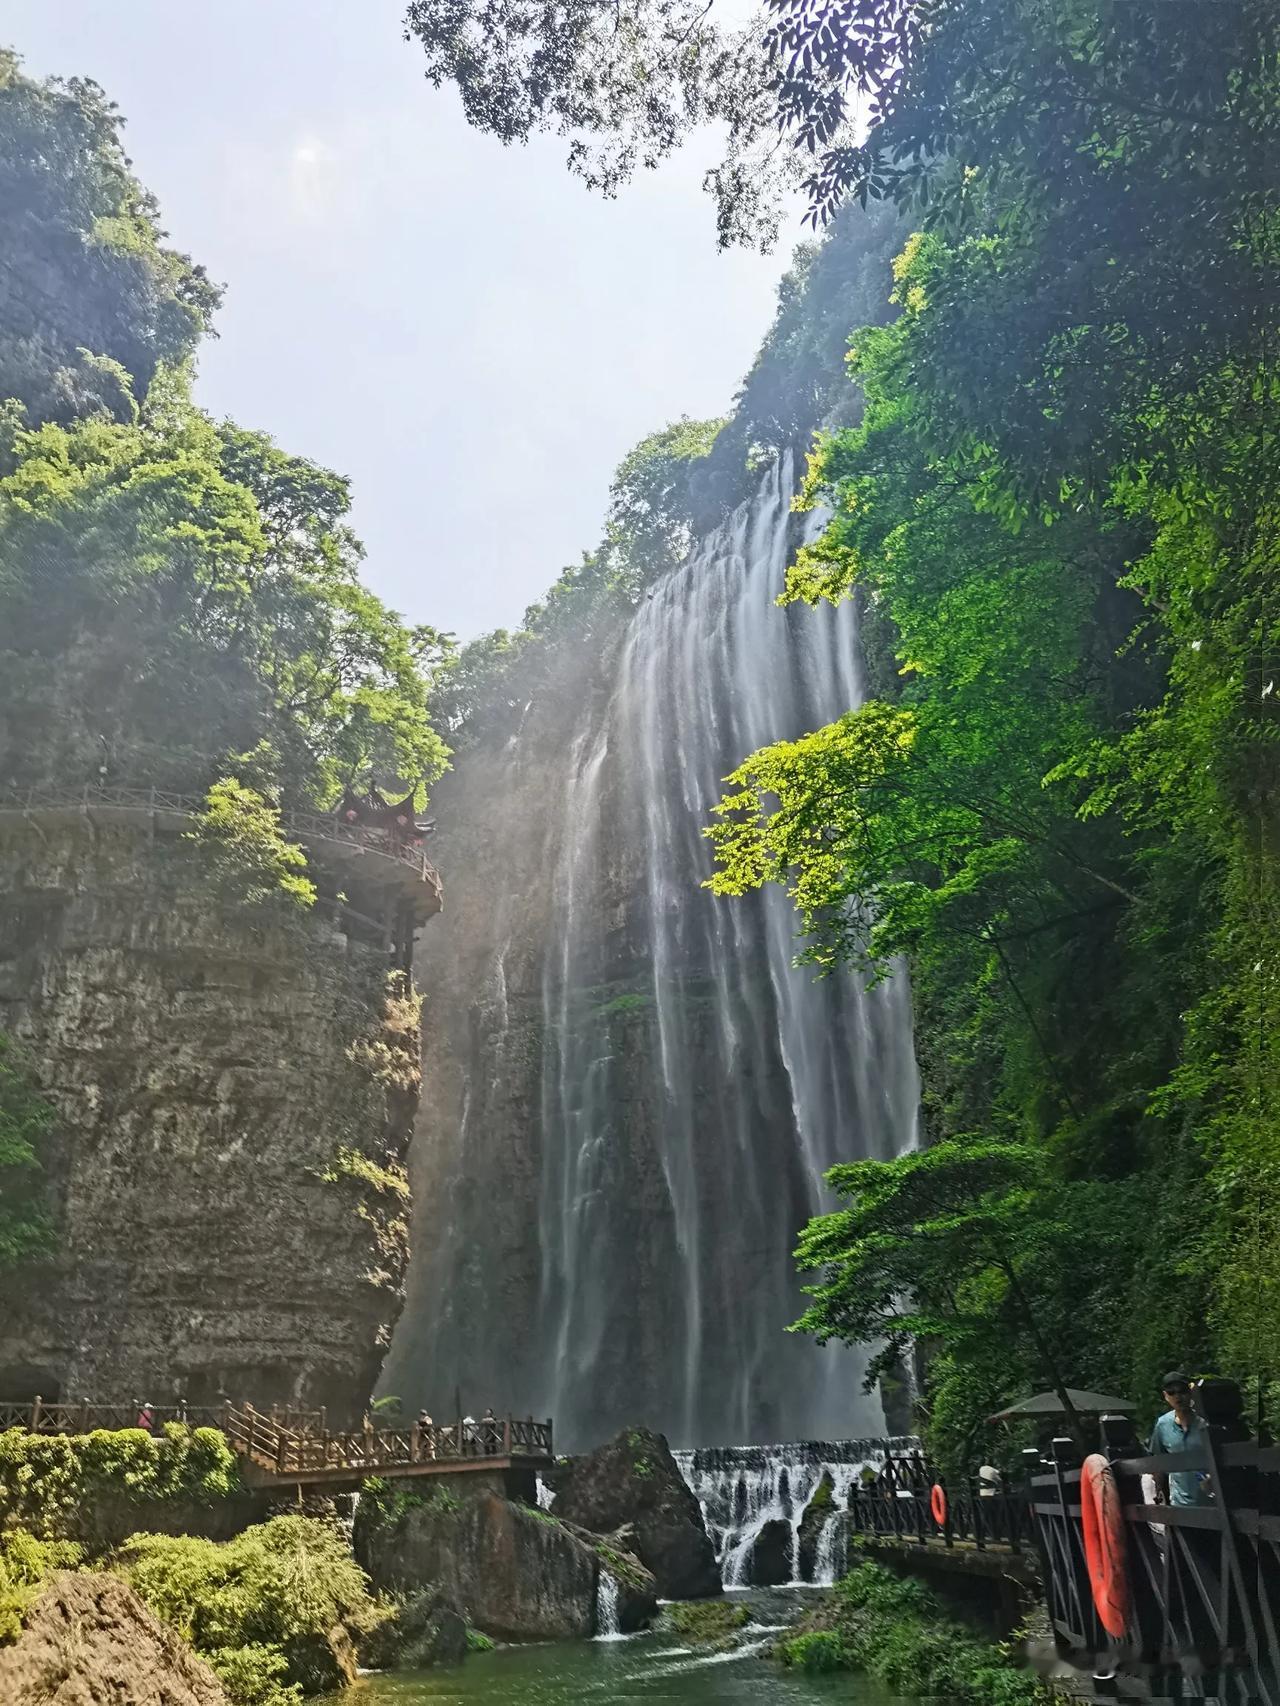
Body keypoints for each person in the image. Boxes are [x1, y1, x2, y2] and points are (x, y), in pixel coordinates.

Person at [1149, 1371, 1211, 1506]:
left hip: (1212, 1504)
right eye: (1171, 1392)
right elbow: (1158, 1461)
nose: (1178, 1396)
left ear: (1190, 1392)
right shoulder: (1162, 1424)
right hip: (1179, 1505)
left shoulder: (1205, 1422)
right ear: (1165, 1396)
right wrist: (1158, 1493)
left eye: (1182, 1391)